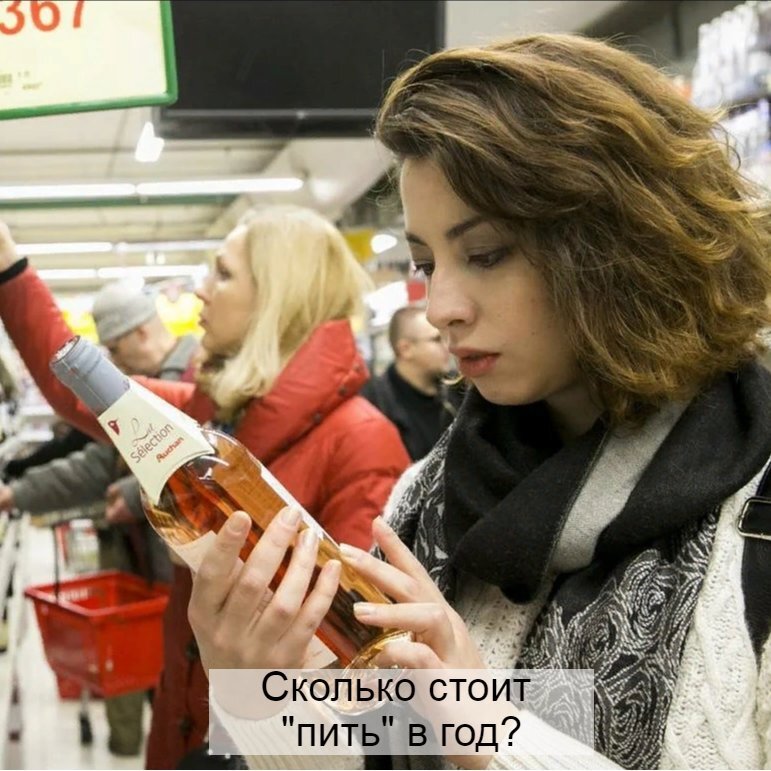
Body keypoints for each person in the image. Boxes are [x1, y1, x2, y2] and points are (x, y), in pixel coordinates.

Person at [181, 34, 770, 770]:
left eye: (485, 254)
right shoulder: (426, 497)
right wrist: (258, 699)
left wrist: (492, 733)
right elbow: (368, 745)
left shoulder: (751, 518)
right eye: (425, 263)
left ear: (621, 245)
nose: (439, 309)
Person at [0, 205, 410, 769]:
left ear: (277, 296)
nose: (200, 291)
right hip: (185, 720)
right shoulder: (213, 414)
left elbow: (356, 670)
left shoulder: (359, 442)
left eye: (223, 274)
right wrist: (9, 266)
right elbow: (79, 386)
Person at [0, 279, 199, 756]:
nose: (112, 360)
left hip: (185, 578)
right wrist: (16, 493)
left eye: (114, 348)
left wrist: (133, 493)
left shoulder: (197, 382)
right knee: (147, 681)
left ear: (139, 333)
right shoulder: (140, 388)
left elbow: (208, 459)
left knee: (185, 693)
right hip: (143, 567)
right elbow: (97, 465)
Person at [361, 305, 457, 460]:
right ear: (405, 349)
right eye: (436, 339)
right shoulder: (377, 406)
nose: (447, 346)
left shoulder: (458, 388)